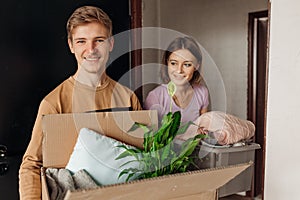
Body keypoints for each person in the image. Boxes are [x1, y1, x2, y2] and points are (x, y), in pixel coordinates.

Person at [19, 6, 142, 199]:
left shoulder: (128, 98)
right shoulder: (54, 103)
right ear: (71, 45)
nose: (91, 50)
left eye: (99, 40)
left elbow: (143, 158)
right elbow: (31, 165)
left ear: (110, 43)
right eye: (81, 41)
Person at [144, 36, 209, 125]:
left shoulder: (202, 92)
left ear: (196, 66)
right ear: (167, 63)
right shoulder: (155, 97)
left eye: (187, 64)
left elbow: (204, 129)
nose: (179, 70)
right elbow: (151, 135)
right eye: (173, 63)